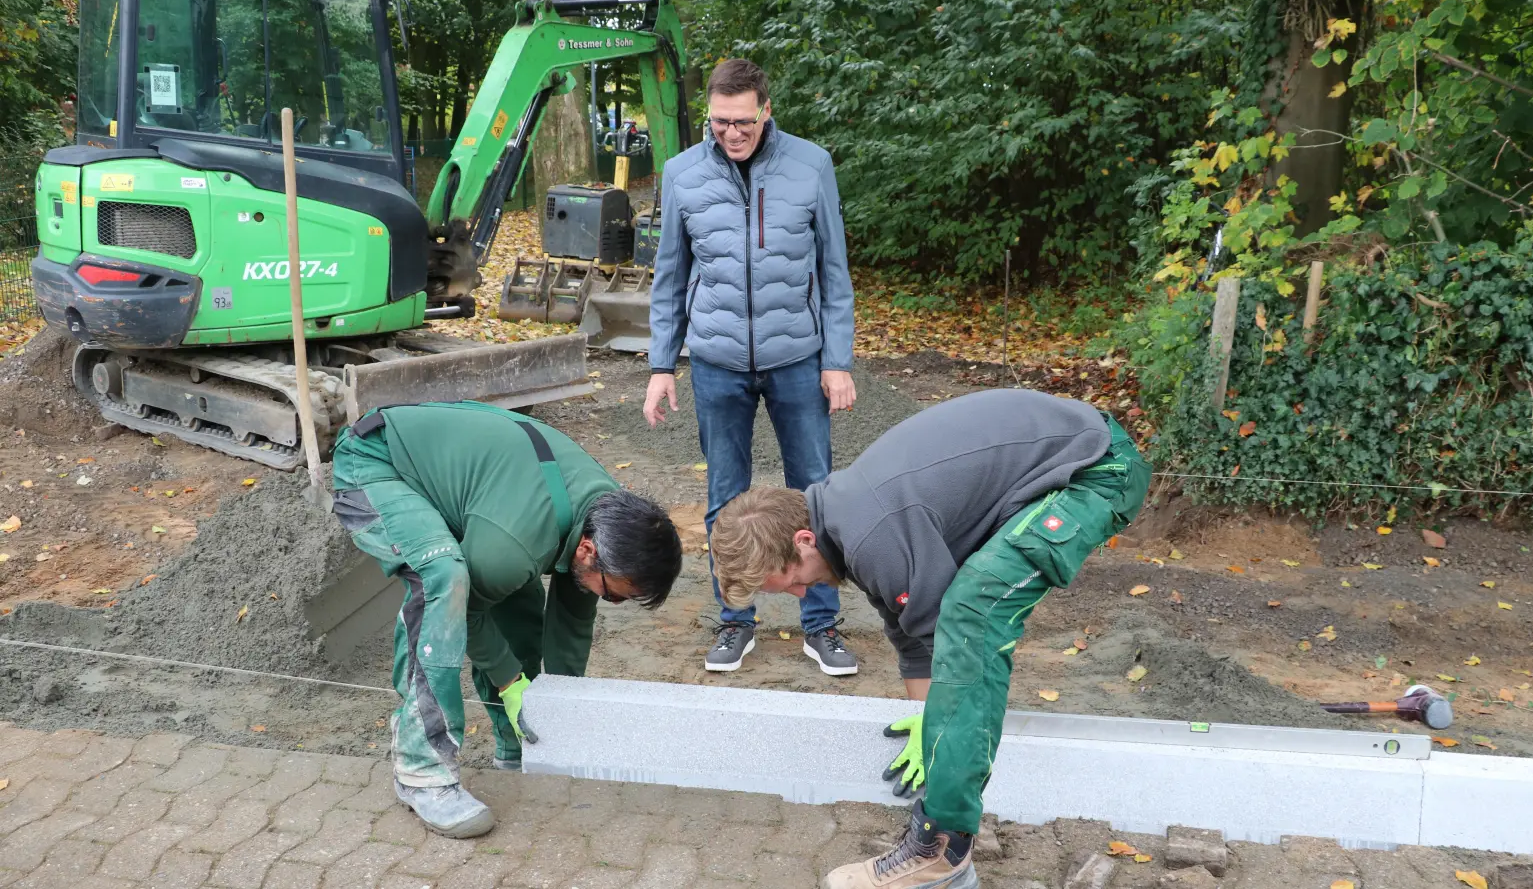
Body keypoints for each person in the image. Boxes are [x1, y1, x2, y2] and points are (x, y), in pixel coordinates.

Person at [709, 389, 1151, 889]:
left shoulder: (870, 531)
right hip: (1069, 459)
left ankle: (942, 847)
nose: (798, 593)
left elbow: (949, 642)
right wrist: (927, 724)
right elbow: (911, 636)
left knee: (972, 612)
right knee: (957, 617)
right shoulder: (847, 519)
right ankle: (946, 829)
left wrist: (944, 740)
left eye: (790, 579)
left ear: (803, 540)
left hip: (1097, 470)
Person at [330, 400, 683, 839]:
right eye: (613, 594)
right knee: (444, 579)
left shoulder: (603, 513)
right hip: (376, 463)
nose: (611, 602)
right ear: (587, 551)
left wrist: (558, 711)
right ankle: (421, 770)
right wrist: (509, 681)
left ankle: (517, 748)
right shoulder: (518, 543)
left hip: (480, 494)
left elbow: (572, 620)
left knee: (515, 592)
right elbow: (472, 613)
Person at [643, 57, 860, 677]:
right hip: (716, 362)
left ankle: (821, 624)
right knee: (723, 497)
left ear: (766, 110)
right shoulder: (683, 173)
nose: (731, 135)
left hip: (798, 357)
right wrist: (662, 365)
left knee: (813, 493)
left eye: (742, 122)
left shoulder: (812, 165)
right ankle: (735, 619)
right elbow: (670, 275)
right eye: (719, 123)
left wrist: (837, 361)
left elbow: (834, 272)